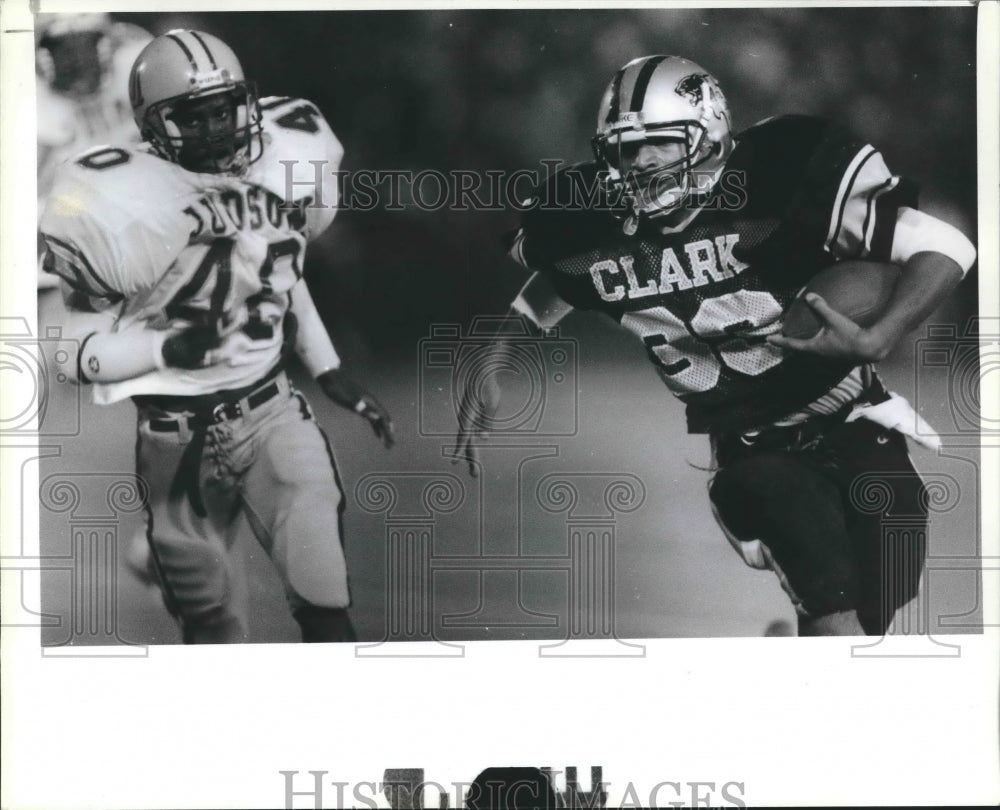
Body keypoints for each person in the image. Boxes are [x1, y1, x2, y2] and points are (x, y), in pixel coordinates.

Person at [453, 55, 976, 637]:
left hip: (852, 416)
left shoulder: (780, 178)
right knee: (834, 608)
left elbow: (946, 244)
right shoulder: (591, 222)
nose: (643, 161)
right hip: (751, 452)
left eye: (661, 143)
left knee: (883, 596)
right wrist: (492, 360)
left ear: (710, 134)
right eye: (627, 149)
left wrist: (883, 333)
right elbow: (558, 280)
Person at [40, 29, 394, 644]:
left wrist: (329, 369)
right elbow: (73, 352)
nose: (214, 129)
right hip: (174, 445)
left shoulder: (282, 165)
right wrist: (161, 349)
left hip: (272, 411)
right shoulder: (114, 203)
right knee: (213, 631)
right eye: (192, 117)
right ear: (154, 127)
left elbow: (284, 275)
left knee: (324, 595)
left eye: (221, 110)